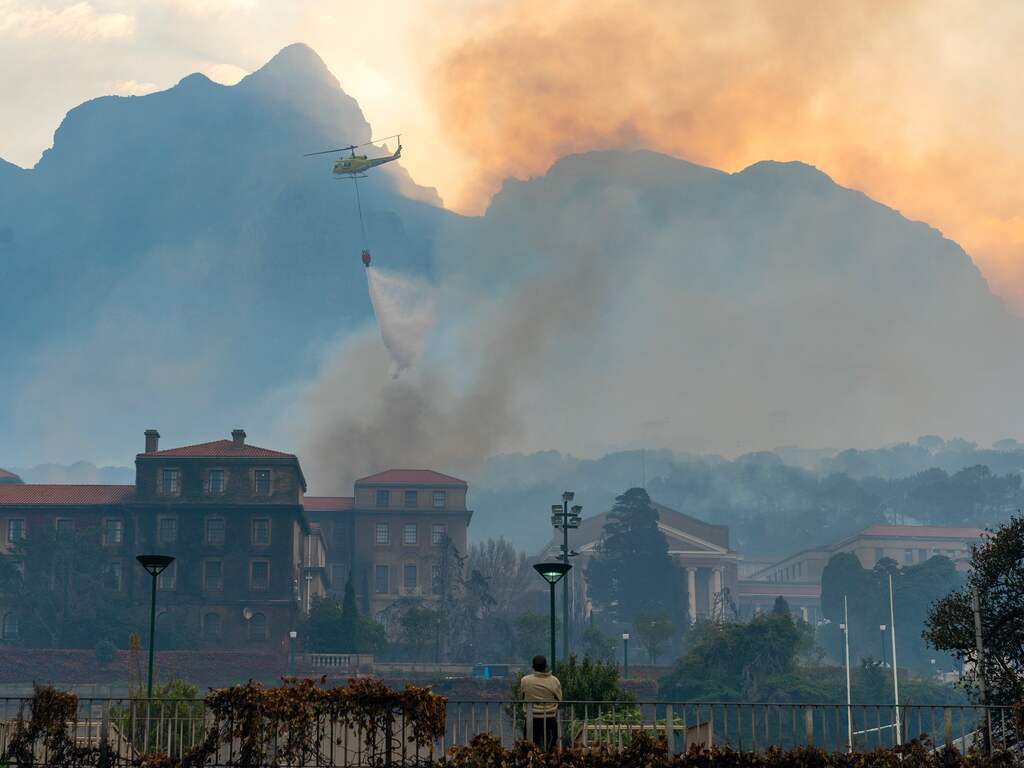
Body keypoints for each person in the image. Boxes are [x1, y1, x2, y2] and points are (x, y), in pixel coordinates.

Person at [519, 655, 562, 751]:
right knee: (551, 748)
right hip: (549, 718)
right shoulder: (554, 681)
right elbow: (559, 699)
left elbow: (522, 696)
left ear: (533, 667)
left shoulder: (525, 680)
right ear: (546, 666)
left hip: (531, 718)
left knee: (530, 747)